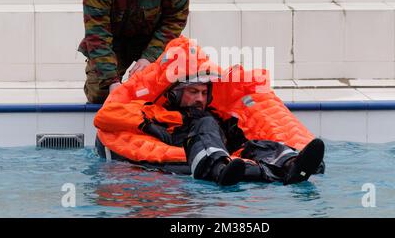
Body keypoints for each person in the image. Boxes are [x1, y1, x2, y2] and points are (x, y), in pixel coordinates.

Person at [135, 78, 325, 186]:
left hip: (230, 158)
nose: (200, 98)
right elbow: (163, 140)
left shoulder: (214, 115)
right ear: (176, 93)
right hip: (191, 153)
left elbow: (237, 142)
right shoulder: (164, 115)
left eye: (203, 93)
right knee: (206, 123)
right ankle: (218, 169)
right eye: (193, 92)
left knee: (255, 144)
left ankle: (291, 165)